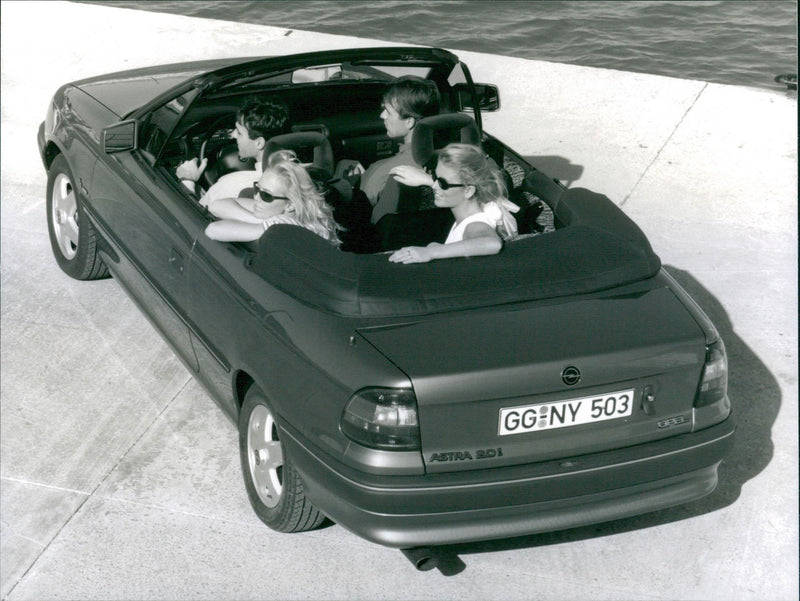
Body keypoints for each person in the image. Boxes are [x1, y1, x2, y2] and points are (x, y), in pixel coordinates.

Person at [387, 143, 519, 263]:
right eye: (435, 178)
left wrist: (430, 252)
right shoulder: (474, 212)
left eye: (442, 183)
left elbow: (491, 243)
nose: (435, 186)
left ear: (468, 191)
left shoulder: (475, 223)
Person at [334, 76, 441, 223]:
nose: (382, 115)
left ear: (409, 122)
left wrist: (354, 184)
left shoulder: (384, 170)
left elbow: (360, 212)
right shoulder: (444, 158)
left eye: (388, 112)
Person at [204, 150, 341, 245]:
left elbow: (213, 230)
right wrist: (258, 219)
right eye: (257, 188)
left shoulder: (285, 226)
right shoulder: (283, 211)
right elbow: (216, 205)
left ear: (291, 204)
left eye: (266, 195)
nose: (257, 197)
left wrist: (265, 224)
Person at [176, 97, 290, 207]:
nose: (232, 134)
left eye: (239, 132)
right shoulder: (296, 177)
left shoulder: (231, 184)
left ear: (259, 143)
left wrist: (187, 180)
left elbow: (191, 212)